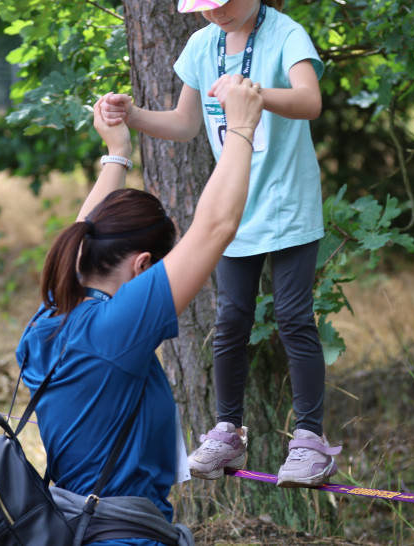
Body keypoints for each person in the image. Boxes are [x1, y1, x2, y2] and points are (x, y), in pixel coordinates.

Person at [99, 0, 340, 488]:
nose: (215, 13)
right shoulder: (201, 46)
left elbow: (310, 101)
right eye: (205, 3)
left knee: (293, 318)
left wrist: (252, 95)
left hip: (286, 206)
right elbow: (184, 125)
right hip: (234, 212)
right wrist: (131, 116)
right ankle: (226, 433)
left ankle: (310, 441)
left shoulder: (285, 35)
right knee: (230, 320)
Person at [16, 77, 263, 544]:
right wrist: (242, 129)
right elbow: (214, 228)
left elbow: (83, 230)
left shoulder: (48, 318)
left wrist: (116, 152)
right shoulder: (119, 325)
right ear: (144, 265)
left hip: (76, 524)